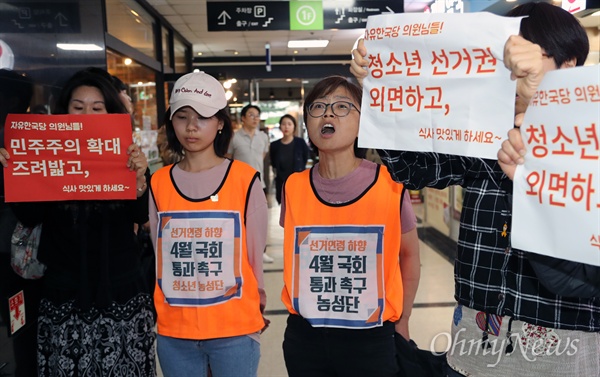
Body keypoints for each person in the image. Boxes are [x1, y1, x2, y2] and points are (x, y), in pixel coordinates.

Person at [350, 3, 599, 376]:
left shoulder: (589, 139)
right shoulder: (487, 132)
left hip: (563, 333)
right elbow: (412, 169)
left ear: (569, 64)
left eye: (524, 55)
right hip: (477, 329)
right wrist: (380, 91)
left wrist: (540, 109)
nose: (512, 73)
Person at [0, 69, 156, 376]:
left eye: (97, 108)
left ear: (111, 112)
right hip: (63, 293)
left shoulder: (125, 153)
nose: (87, 115)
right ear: (64, 111)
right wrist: (16, 172)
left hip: (120, 291)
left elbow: (140, 216)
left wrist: (139, 178)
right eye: (78, 106)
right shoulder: (47, 152)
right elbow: (30, 217)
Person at [279, 76, 421, 377]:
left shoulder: (391, 184)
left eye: (342, 106)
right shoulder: (294, 186)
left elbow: (409, 256)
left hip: (371, 339)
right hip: (306, 338)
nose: (328, 114)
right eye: (318, 107)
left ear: (363, 122)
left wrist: (403, 318)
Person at [148, 71, 269, 377]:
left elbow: (255, 256)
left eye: (203, 117)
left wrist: (259, 305)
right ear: (171, 123)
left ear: (219, 124)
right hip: (175, 330)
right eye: (182, 116)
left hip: (235, 328)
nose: (191, 126)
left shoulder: (244, 179)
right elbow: (161, 258)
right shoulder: (159, 183)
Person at [226, 104, 274, 263]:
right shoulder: (234, 137)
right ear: (243, 118)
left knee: (259, 219)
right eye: (251, 115)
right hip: (238, 185)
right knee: (241, 220)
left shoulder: (263, 137)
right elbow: (228, 159)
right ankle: (242, 252)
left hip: (258, 184)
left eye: (257, 115)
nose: (255, 118)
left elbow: (262, 156)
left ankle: (261, 252)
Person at [269, 114, 310, 205]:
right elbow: (273, 163)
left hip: (298, 182)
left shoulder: (300, 143)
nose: (286, 127)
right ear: (280, 126)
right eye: (283, 124)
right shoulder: (274, 145)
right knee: (284, 209)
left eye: (289, 124)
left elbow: (305, 158)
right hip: (282, 182)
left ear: (294, 127)